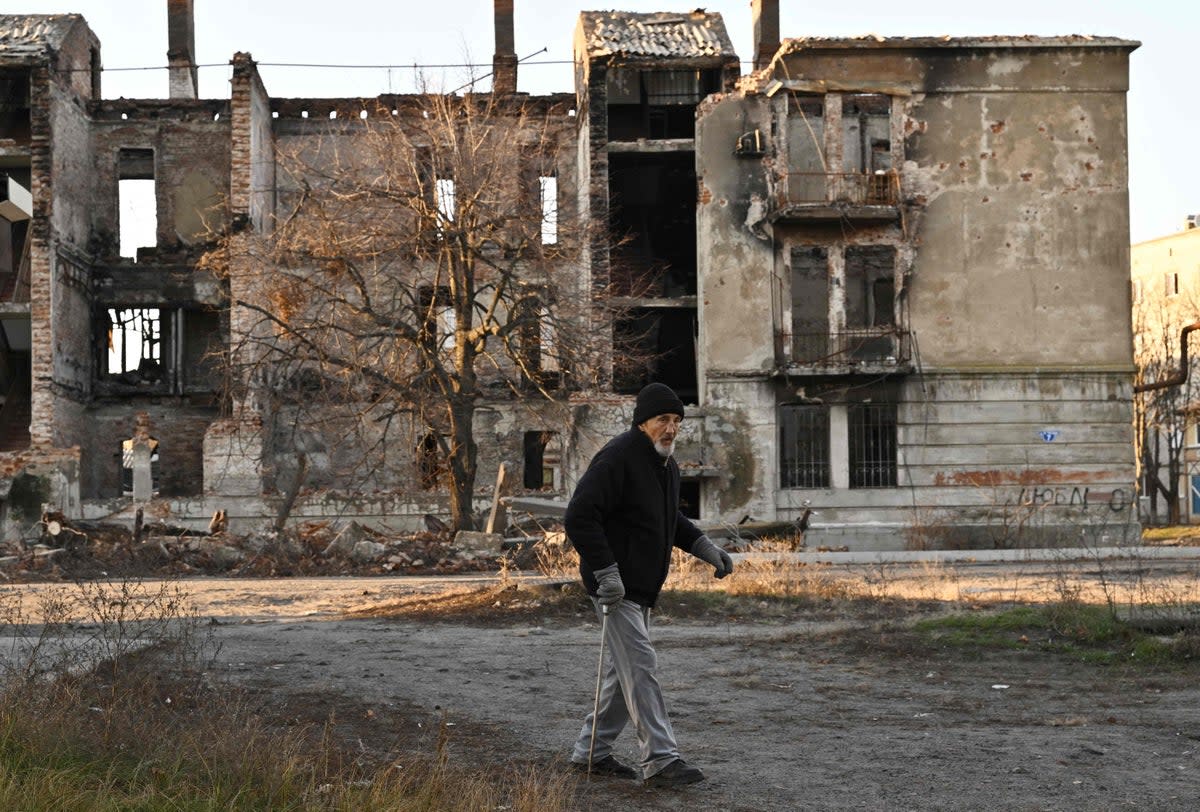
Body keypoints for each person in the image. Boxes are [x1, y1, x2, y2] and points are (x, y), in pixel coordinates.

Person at [565, 382, 734, 787]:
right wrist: (606, 572)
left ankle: (591, 753)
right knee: (640, 666)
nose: (671, 428)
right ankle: (661, 759)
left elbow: (669, 521)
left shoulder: (666, 465)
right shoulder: (617, 458)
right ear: (643, 422)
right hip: (615, 587)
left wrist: (705, 547)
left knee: (621, 674)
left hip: (639, 586)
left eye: (677, 420)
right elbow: (579, 516)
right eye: (663, 419)